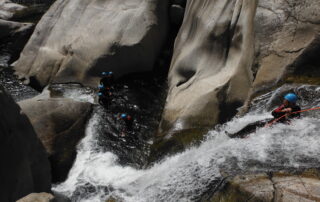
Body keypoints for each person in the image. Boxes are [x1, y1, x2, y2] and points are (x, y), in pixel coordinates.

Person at [229, 93, 301, 138]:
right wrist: (283, 111)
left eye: (286, 100)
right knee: (251, 124)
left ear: (290, 102)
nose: (284, 101)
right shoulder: (283, 106)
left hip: (281, 123)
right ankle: (236, 135)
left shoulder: (296, 108)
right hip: (276, 120)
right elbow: (273, 113)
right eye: (284, 100)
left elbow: (294, 113)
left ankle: (244, 136)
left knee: (260, 127)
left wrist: (289, 112)